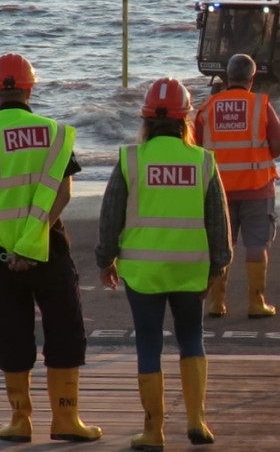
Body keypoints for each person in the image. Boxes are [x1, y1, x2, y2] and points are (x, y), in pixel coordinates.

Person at [0, 53, 100, 443]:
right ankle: (66, 420)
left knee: (10, 332)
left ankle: (20, 421)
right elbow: (63, 193)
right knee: (64, 329)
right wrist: (32, 241)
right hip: (49, 248)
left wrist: (8, 245)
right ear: (31, 87)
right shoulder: (51, 132)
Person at [95, 77, 232, 451]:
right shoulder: (202, 161)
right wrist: (217, 267)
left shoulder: (131, 160)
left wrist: (105, 259)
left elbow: (111, 215)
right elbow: (219, 222)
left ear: (146, 121)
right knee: (192, 340)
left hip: (143, 272)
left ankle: (153, 431)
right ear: (185, 119)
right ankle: (197, 421)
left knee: (149, 344)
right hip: (190, 270)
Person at [194, 53, 280, 318]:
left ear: (226, 77)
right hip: (257, 187)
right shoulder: (260, 104)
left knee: (220, 246)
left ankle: (215, 303)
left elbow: (195, 148)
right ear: (252, 78)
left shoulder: (207, 106)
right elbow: (278, 146)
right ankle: (256, 303)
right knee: (256, 245)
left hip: (217, 190)